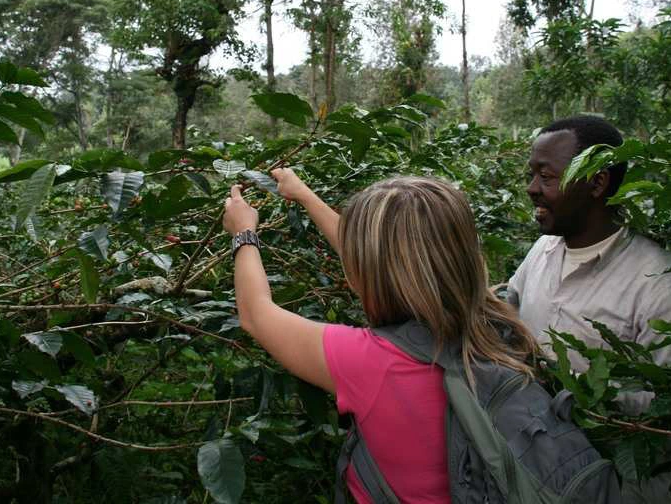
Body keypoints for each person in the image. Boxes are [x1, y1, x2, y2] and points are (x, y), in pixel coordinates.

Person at [223, 171, 541, 503]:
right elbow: (376, 259)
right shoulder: (492, 320)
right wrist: (304, 194)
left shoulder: (372, 363)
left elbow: (256, 314)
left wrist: (243, 232)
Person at [507, 115, 671, 501]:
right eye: (531, 175)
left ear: (597, 183)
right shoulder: (544, 250)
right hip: (535, 478)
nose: (532, 189)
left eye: (546, 177)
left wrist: (578, 394)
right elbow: (509, 306)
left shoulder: (661, 285)